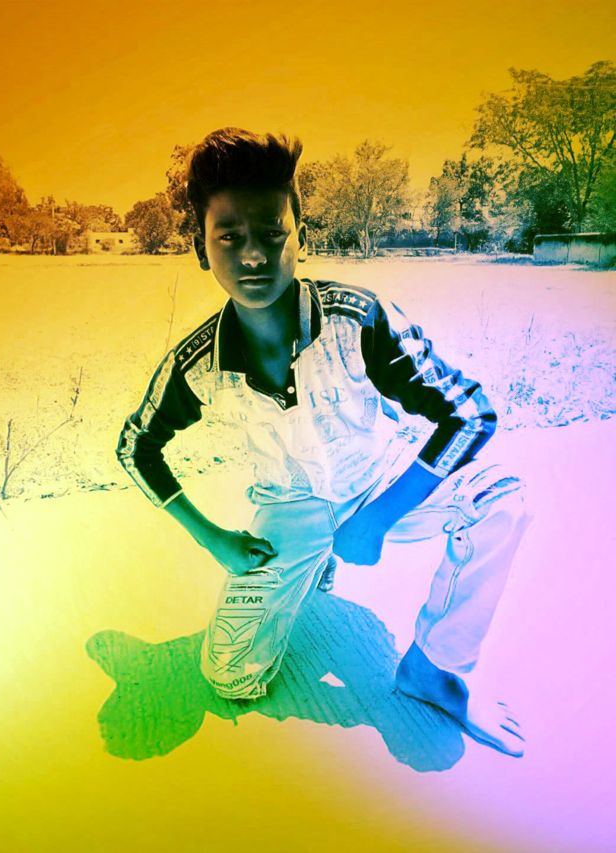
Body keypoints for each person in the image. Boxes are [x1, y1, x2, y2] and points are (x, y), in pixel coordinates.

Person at [116, 127, 531, 757]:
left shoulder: (355, 318)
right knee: (232, 680)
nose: (252, 255)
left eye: (272, 233)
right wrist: (215, 538)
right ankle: (310, 568)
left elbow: (470, 415)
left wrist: (378, 519)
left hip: (377, 482)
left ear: (301, 237)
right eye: (229, 236)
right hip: (289, 509)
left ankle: (435, 670)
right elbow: (135, 447)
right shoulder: (197, 364)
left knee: (501, 498)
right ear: (201, 249)